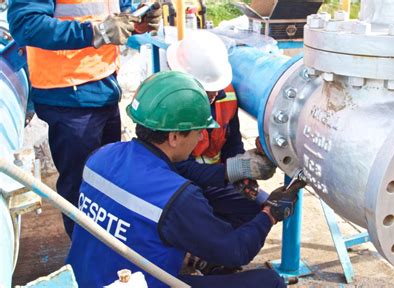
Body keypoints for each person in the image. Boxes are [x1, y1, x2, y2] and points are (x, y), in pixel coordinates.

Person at [66, 71, 295, 288]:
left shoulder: (101, 156)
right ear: (174, 137)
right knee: (269, 282)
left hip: (83, 279)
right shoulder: (176, 197)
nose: (199, 139)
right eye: (198, 132)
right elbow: (236, 250)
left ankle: (195, 259)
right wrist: (270, 214)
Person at [7, 0, 161, 237]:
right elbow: (26, 25)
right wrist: (95, 33)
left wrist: (136, 22)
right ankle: (86, 257)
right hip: (68, 94)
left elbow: (113, 13)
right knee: (81, 187)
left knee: (110, 181)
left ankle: (110, 249)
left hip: (104, 85)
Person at [167, 31, 273, 233]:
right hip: (180, 183)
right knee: (191, 213)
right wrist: (234, 170)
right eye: (207, 89)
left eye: (216, 87)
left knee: (260, 207)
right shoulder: (169, 105)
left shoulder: (226, 95)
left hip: (215, 178)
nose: (214, 95)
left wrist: (242, 176)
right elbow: (179, 166)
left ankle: (212, 259)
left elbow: (232, 142)